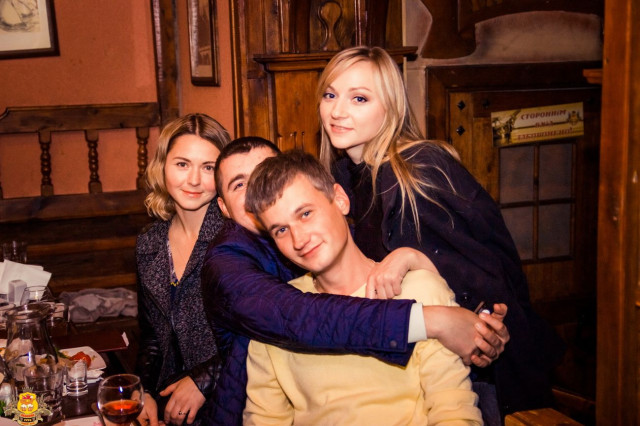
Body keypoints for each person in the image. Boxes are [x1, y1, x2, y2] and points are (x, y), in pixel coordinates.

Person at [317, 46, 565, 420]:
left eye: (359, 98)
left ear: (391, 108)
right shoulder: (344, 177)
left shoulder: (418, 169)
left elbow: (483, 274)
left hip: (475, 373)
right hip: (409, 360)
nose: (337, 111)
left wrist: (412, 259)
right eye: (330, 94)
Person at [200, 137, 507, 425]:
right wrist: (433, 320)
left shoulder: (416, 286)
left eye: (305, 214)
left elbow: (454, 410)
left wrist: (413, 260)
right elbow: (265, 416)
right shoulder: (267, 312)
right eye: (280, 229)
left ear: (340, 200)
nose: (298, 239)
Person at [135, 113, 231, 426]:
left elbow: (260, 335)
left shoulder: (236, 241)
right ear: (162, 166)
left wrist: (204, 379)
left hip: (230, 401)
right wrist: (143, 390)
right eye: (182, 164)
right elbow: (152, 337)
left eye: (208, 168)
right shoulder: (150, 242)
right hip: (167, 404)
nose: (193, 180)